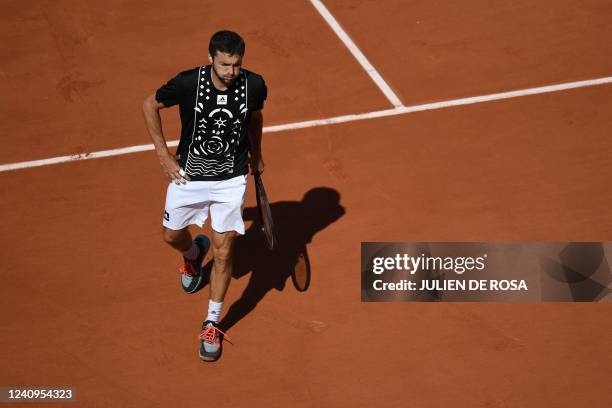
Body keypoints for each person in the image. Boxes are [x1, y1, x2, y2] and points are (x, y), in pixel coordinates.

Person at [142, 30, 267, 362]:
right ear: (211, 57)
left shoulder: (253, 85)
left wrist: (258, 152)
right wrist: (164, 156)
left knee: (225, 254)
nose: (231, 72)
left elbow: (255, 118)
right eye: (225, 65)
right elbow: (149, 104)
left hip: (231, 179)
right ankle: (194, 252)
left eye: (236, 65)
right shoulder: (187, 83)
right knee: (170, 235)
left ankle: (212, 321)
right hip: (190, 176)